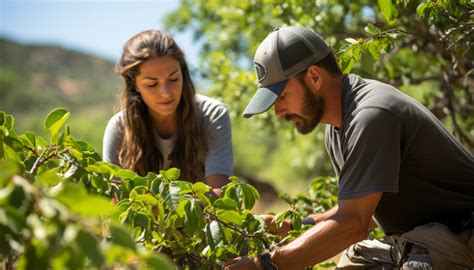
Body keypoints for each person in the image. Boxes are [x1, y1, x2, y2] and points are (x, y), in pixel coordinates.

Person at [224, 26, 474, 270]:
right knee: (355, 257)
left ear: (314, 76)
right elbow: (357, 207)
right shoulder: (336, 128)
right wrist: (295, 225)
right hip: (419, 237)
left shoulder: (370, 115)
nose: (278, 112)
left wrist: (265, 264)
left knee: (418, 261)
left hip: (462, 233)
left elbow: (353, 224)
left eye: (281, 97)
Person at [103, 29, 233, 194]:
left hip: (203, 220)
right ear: (134, 84)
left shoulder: (212, 114)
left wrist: (161, 208)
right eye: (152, 84)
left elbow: (221, 196)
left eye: (173, 79)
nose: (166, 92)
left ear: (183, 73)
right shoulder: (119, 128)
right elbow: (114, 207)